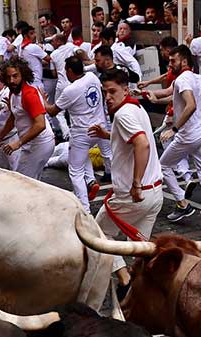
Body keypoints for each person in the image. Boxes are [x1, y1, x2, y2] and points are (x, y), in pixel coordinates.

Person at [88, 68, 163, 298]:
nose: (108, 97)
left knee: (98, 234)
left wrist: (136, 183)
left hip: (134, 196)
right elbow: (131, 142)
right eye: (105, 92)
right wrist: (106, 135)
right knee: (139, 249)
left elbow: (142, 144)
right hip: (155, 195)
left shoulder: (123, 115)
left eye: (112, 91)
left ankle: (125, 280)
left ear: (125, 90)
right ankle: (142, 293)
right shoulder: (135, 107)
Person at [41, 56, 113, 212]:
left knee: (75, 171)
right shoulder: (92, 77)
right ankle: (92, 181)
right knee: (90, 156)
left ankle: (85, 209)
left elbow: (53, 111)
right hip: (99, 128)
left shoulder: (70, 90)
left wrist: (43, 100)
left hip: (82, 133)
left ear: (69, 71)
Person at [152, 45, 201, 222]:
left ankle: (182, 204)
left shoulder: (183, 80)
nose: (170, 63)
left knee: (163, 166)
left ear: (185, 61)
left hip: (187, 136)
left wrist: (174, 129)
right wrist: (147, 93)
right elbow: (172, 96)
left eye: (174, 60)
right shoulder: (195, 78)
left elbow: (191, 105)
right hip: (198, 134)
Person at [0, 57, 55, 180]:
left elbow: (40, 124)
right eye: (8, 77)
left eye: (15, 76)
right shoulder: (13, 92)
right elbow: (13, 117)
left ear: (23, 74)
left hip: (40, 144)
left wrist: (18, 143)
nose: (11, 80)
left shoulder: (29, 94)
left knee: (21, 181)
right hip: (30, 144)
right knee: (30, 182)